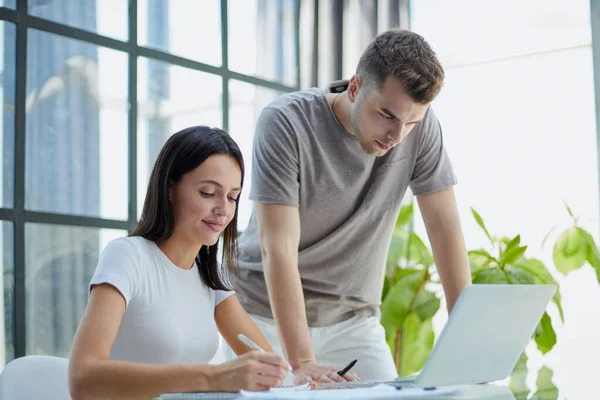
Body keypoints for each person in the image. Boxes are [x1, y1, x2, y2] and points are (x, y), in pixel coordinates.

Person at [231, 29, 472, 384]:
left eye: (411, 123)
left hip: (354, 320)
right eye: (387, 115)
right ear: (355, 88)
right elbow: (277, 248)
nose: (397, 137)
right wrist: (302, 362)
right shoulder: (285, 122)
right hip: (262, 314)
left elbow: (444, 228)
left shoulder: (418, 130)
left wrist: (463, 339)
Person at [68, 126, 290, 400]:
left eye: (232, 197)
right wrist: (214, 377)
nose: (223, 209)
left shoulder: (209, 277)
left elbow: (268, 366)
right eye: (208, 193)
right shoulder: (128, 256)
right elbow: (82, 379)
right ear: (170, 188)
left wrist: (302, 373)